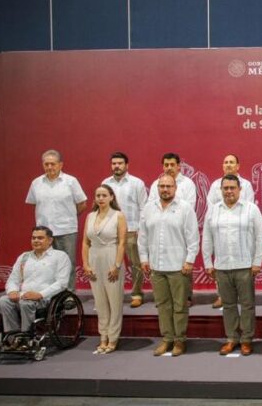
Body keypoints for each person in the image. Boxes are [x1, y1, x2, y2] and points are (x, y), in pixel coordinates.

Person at [201, 174, 262, 356]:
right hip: (222, 266)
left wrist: (257, 262)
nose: (229, 191)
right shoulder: (213, 210)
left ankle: (246, 339)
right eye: (225, 188)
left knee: (247, 305)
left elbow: (260, 237)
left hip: (245, 265)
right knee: (228, 305)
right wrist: (208, 262)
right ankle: (231, 339)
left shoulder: (251, 209)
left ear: (240, 189)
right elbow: (207, 238)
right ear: (221, 190)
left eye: (232, 188)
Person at [138, 174, 199, 357]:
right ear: (157, 188)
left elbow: (193, 237)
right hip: (157, 266)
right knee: (163, 305)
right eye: (161, 186)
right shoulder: (149, 208)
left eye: (168, 186)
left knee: (180, 306)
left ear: (175, 188)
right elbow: (143, 237)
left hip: (179, 267)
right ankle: (167, 339)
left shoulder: (185, 208)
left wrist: (189, 261)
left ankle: (180, 340)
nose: (165, 189)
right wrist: (143, 259)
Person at [25, 149, 87, 291]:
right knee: (45, 264)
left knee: (67, 263)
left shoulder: (71, 181)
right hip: (44, 233)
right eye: (46, 164)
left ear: (60, 165)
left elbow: (82, 203)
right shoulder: (36, 183)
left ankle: (69, 294)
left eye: (53, 164)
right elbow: (35, 203)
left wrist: (69, 216)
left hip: (67, 230)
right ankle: (48, 294)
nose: (49, 167)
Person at [205, 155, 256, 310]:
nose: (228, 165)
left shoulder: (246, 185)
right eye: (226, 162)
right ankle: (222, 296)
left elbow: (248, 205)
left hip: (241, 227)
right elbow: (211, 206)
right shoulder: (215, 185)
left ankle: (243, 296)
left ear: (238, 166)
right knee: (222, 262)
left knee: (244, 273)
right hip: (221, 225)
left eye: (231, 162)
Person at [81, 185, 127, 354]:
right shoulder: (90, 216)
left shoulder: (118, 216)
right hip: (94, 258)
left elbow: (122, 242)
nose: (100, 198)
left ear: (111, 197)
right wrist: (85, 264)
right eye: (98, 195)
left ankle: (113, 338)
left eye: (104, 195)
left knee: (114, 301)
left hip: (111, 255)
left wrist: (116, 265)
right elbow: (86, 242)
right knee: (100, 302)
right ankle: (103, 336)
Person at [0, 226, 70, 333]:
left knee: (26, 304)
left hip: (45, 299)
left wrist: (40, 294)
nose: (36, 240)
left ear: (50, 240)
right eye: (33, 238)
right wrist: (12, 291)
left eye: (40, 238)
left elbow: (62, 283)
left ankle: (26, 337)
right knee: (3, 301)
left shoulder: (60, 256)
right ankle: (13, 336)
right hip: (24, 296)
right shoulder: (24, 257)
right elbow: (13, 278)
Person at [102, 151, 149, 308]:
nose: (117, 166)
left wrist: (141, 230)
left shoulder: (137, 183)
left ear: (126, 165)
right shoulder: (105, 184)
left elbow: (144, 208)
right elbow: (102, 208)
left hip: (131, 230)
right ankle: (112, 295)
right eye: (114, 163)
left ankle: (136, 294)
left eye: (120, 163)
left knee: (135, 264)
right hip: (110, 231)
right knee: (111, 264)